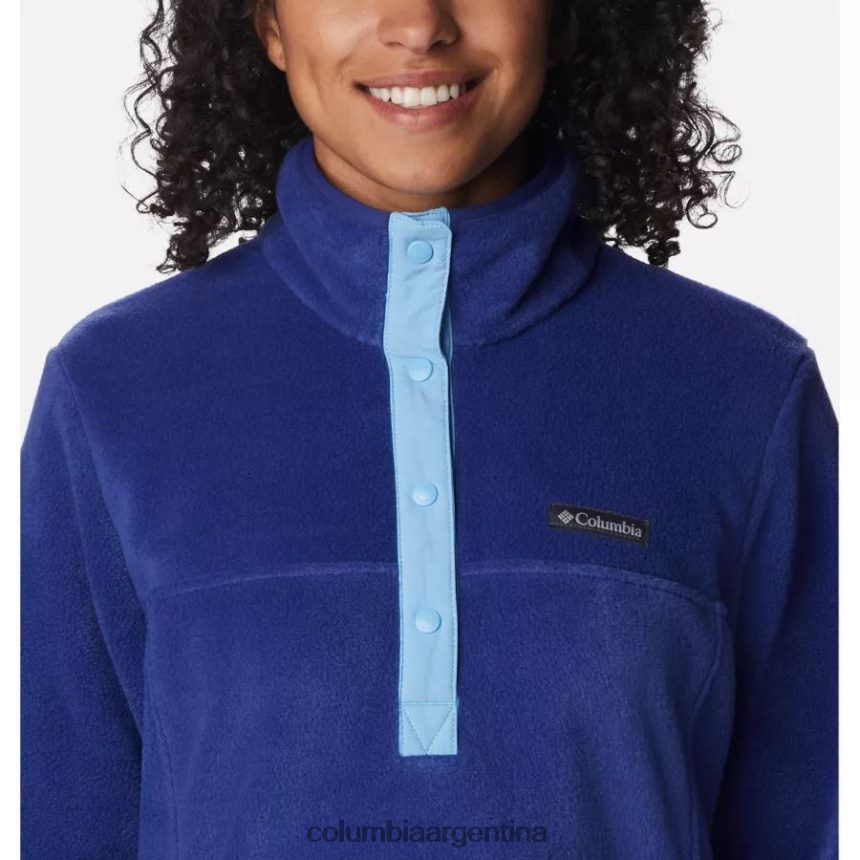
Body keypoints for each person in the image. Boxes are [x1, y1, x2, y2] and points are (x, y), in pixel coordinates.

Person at [21, 0, 838, 857]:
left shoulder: (746, 391)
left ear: (564, 16)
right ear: (267, 24)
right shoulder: (111, 391)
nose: (418, 25)